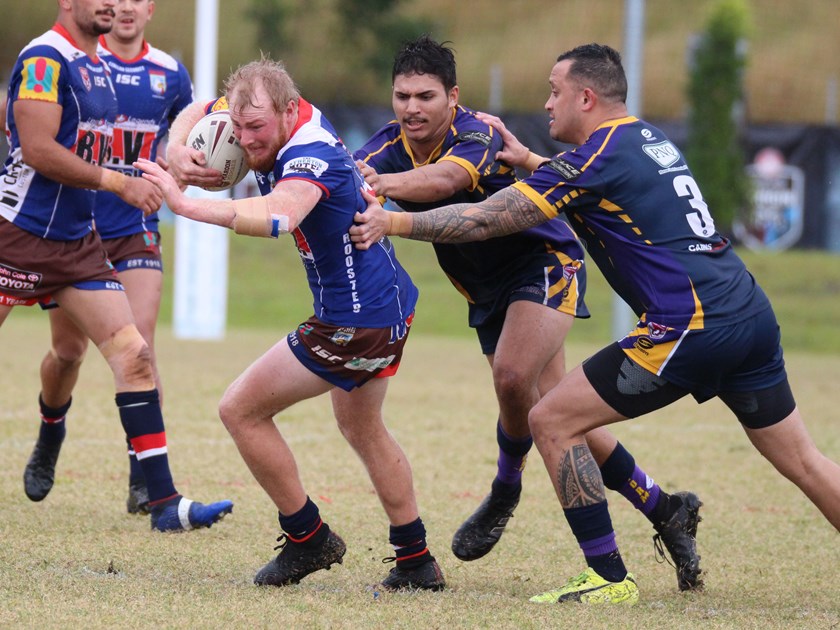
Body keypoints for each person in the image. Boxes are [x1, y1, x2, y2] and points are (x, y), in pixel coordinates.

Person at [350, 42, 840, 605]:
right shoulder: (643, 138)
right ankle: (659, 509)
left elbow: (488, 217)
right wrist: (531, 162)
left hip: (690, 327)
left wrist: (392, 221)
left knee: (551, 420)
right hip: (749, 315)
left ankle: (608, 578)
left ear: (586, 96)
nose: (547, 103)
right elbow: (590, 187)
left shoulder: (595, 157)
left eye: (555, 92)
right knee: (806, 461)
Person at [352, 35, 702, 591]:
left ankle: (506, 489)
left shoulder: (479, 133)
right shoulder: (386, 147)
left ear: (453, 97)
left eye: (425, 95)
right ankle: (665, 508)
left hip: (544, 263)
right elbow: (346, 178)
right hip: (486, 293)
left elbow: (446, 182)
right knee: (560, 411)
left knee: (513, 377)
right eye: (402, 96)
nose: (412, 108)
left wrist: (383, 187)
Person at [136, 56, 446, 591]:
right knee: (363, 428)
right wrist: (176, 149)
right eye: (237, 128)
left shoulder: (309, 151)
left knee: (240, 409)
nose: (246, 140)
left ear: (285, 112)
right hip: (386, 305)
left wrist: (182, 204)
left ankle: (308, 539)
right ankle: (416, 559)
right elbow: (195, 108)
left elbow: (278, 215)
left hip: (357, 320)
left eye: (256, 129)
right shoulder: (266, 110)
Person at [0, 0, 232, 532]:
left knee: (135, 356)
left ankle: (162, 503)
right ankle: (51, 432)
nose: (111, 2)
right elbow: (35, 149)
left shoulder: (100, 68)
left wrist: (183, 166)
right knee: (68, 355)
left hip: (79, 242)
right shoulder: (45, 58)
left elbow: (141, 144)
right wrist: (117, 183)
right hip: (15, 234)